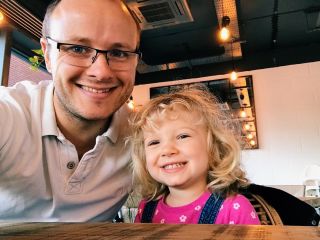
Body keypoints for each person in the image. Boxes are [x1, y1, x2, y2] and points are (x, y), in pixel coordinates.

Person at [0, 0, 141, 221]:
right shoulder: (10, 113)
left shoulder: (145, 138)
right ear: (47, 54)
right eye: (78, 49)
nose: (101, 72)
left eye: (119, 53)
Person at [130, 85, 260, 224]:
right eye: (154, 142)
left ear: (213, 147)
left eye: (183, 136)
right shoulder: (145, 209)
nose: (167, 150)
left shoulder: (235, 210)